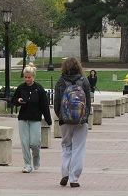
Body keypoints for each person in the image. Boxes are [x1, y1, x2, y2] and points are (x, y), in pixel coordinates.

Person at [54, 57, 92, 188]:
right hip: (81, 120)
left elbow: (57, 101)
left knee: (66, 146)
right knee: (78, 148)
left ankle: (65, 172)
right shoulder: (84, 80)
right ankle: (74, 178)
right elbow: (88, 100)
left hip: (64, 119)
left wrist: (60, 115)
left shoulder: (60, 81)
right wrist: (85, 116)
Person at [11, 64, 52, 173]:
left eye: (29, 77)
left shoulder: (39, 89)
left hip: (35, 119)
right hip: (23, 118)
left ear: (33, 76)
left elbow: (44, 105)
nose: (27, 79)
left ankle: (36, 157)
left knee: (35, 142)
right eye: (25, 77)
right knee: (24, 143)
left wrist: (48, 120)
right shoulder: (21, 88)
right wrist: (18, 100)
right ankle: (27, 165)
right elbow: (13, 100)